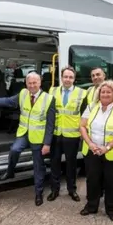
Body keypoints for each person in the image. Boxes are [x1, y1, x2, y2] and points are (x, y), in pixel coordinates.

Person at [0, 72, 56, 206]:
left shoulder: (49, 99)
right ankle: (10, 172)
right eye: (30, 83)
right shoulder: (23, 94)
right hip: (24, 133)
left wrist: (47, 143)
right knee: (14, 150)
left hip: (38, 138)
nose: (32, 85)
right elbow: (9, 101)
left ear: (40, 83)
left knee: (38, 166)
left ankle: (38, 193)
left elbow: (51, 124)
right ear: (26, 84)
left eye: (35, 83)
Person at [78, 80, 113, 221]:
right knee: (92, 180)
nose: (105, 94)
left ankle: (111, 209)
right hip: (93, 151)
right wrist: (90, 143)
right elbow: (82, 126)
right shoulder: (92, 107)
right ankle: (91, 206)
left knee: (112, 181)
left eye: (109, 91)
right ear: (99, 93)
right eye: (103, 92)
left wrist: (107, 147)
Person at [47, 67, 87, 202]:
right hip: (56, 134)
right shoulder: (52, 91)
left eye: (70, 77)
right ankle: (55, 190)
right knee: (55, 163)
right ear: (61, 77)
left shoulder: (82, 93)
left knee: (71, 164)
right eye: (65, 76)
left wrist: (83, 132)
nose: (67, 79)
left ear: (74, 79)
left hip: (72, 136)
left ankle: (72, 190)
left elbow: (84, 115)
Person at [77, 67, 106, 177]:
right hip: (91, 134)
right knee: (93, 169)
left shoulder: (111, 91)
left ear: (104, 76)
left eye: (98, 74)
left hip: (105, 134)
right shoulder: (89, 91)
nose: (95, 77)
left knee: (105, 168)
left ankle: (103, 190)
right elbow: (83, 110)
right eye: (93, 75)